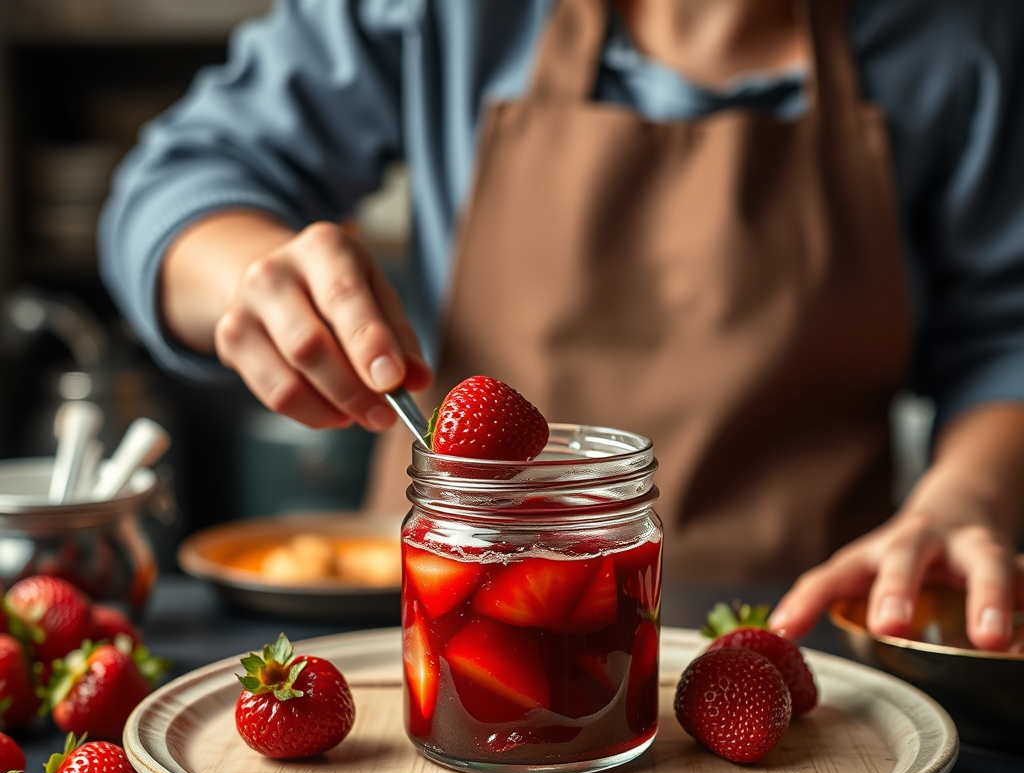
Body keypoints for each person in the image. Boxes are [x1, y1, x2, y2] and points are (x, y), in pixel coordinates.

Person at [99, 0, 1024, 650]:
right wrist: (249, 278)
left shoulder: (965, 36)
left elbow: (1004, 336)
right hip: (447, 622)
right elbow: (181, 180)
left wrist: (965, 502)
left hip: (795, 648)